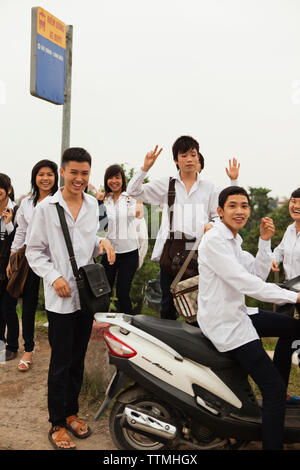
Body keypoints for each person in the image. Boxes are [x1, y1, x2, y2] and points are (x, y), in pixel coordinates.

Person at [197, 185, 300, 450]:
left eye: (244, 206)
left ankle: (280, 386)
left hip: (240, 313)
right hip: (227, 325)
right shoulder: (216, 241)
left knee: (293, 327)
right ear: (220, 211)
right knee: (272, 391)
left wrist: (264, 241)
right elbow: (246, 284)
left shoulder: (233, 239)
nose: (239, 211)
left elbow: (257, 273)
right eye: (232, 206)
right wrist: (294, 298)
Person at [26, 147, 115, 450]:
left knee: (77, 359)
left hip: (85, 297)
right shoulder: (46, 208)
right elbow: (34, 251)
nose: (79, 178)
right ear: (62, 172)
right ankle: (56, 422)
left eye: (85, 173)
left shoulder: (92, 204)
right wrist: (54, 277)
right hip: (60, 297)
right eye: (74, 172)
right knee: (61, 362)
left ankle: (72, 412)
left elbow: (88, 244)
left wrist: (102, 242)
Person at [127, 135, 240, 320]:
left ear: (198, 157)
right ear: (176, 160)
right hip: (171, 253)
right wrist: (145, 168)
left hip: (199, 254)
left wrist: (212, 225)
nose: (189, 159)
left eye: (193, 154)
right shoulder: (167, 184)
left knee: (199, 308)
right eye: (184, 155)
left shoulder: (209, 187)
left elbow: (220, 216)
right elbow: (133, 191)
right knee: (167, 306)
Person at [7, 160, 58, 372]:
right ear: (34, 178)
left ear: (56, 177)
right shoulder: (27, 203)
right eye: (41, 174)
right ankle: (28, 349)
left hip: (56, 258)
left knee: (57, 304)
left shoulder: (60, 200)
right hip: (30, 258)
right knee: (28, 304)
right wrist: (12, 256)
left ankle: (59, 348)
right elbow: (21, 231)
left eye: (49, 174)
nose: (45, 178)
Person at [94, 165, 144, 315]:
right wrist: (99, 203)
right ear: (106, 180)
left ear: (123, 180)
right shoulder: (106, 200)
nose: (114, 181)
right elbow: (103, 225)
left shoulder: (130, 197)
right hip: (109, 253)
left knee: (123, 293)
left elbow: (139, 214)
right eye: (111, 177)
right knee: (104, 292)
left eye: (117, 177)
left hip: (128, 253)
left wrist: (139, 205)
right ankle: (103, 324)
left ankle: (127, 327)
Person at [271, 187, 300, 392]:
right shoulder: (290, 230)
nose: (296, 206)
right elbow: (279, 250)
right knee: (283, 349)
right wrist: (273, 259)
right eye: (293, 201)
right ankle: (280, 393)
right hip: (291, 298)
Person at [0, 174, 19, 361]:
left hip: (9, 267)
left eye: (1, 187)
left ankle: (13, 346)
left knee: (9, 308)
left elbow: (18, 240)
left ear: (9, 190)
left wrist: (9, 224)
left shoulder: (16, 211)